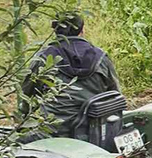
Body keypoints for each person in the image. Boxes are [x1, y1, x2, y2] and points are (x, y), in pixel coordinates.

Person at [21, 11, 120, 139]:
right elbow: (115, 94)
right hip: (94, 133)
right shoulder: (101, 58)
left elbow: (26, 96)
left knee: (12, 145)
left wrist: (24, 120)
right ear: (82, 30)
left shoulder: (44, 58)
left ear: (55, 31)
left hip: (52, 133)